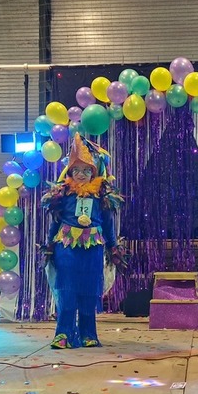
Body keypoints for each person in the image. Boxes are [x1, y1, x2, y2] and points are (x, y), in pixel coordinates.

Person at [41, 133, 125, 350]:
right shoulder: (63, 195)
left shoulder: (101, 197)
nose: (81, 174)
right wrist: (49, 244)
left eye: (86, 170)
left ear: (93, 173)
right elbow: (55, 223)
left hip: (93, 248)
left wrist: (113, 247)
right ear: (70, 172)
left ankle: (88, 333)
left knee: (89, 291)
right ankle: (64, 334)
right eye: (77, 170)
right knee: (67, 291)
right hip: (66, 247)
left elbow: (108, 225)